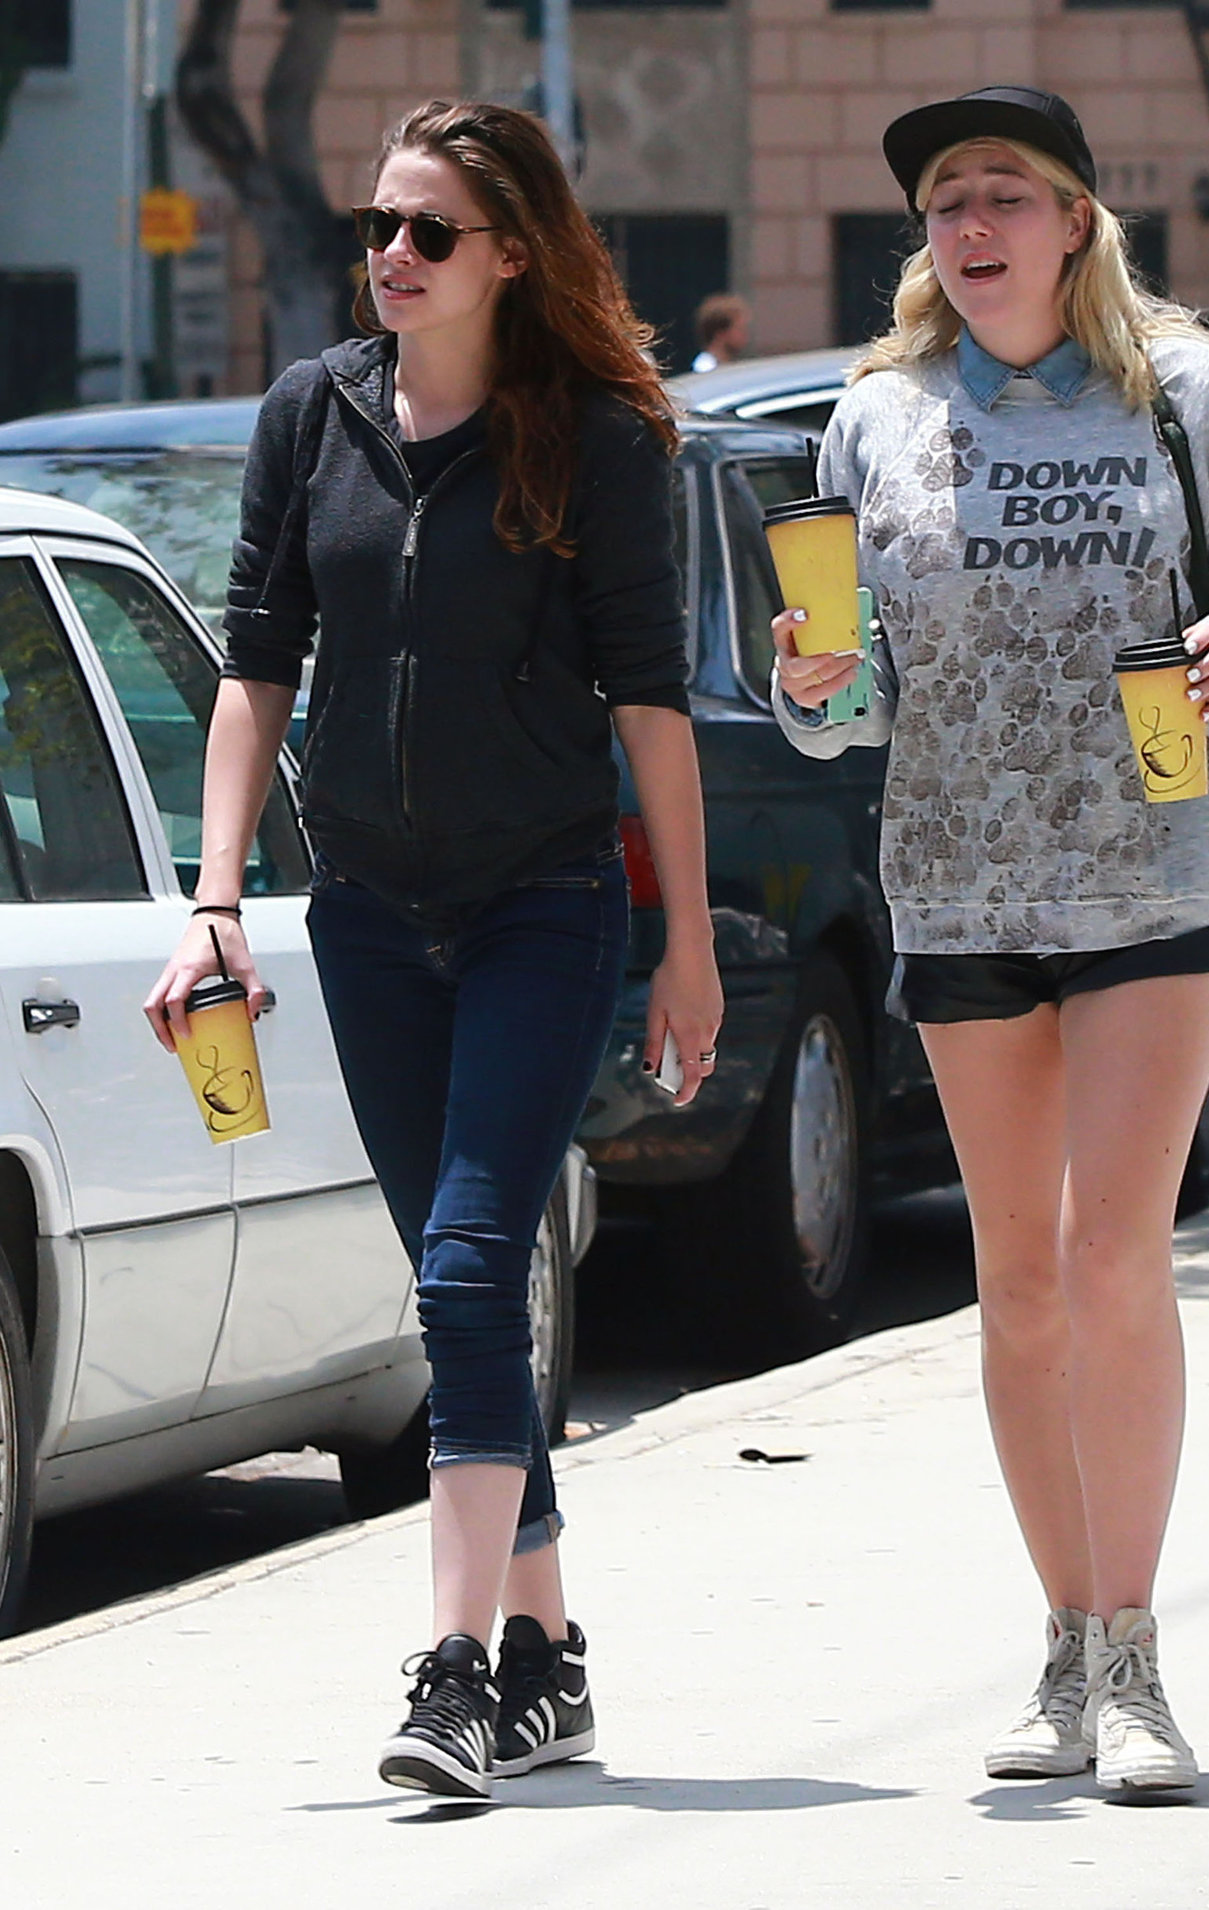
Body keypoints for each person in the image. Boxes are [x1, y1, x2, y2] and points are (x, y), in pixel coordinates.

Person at [145, 98, 722, 1800]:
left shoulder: (599, 440)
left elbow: (650, 706)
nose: (387, 258)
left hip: (543, 903)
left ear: (511, 256)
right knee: (460, 1297)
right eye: (376, 229)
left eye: (428, 234)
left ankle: (457, 1674)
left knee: (469, 1273)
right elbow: (256, 662)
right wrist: (215, 898)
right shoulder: (308, 418)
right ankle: (549, 1659)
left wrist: (686, 941)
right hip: (370, 921)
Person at [770, 86, 1209, 1793]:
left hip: (1157, 875)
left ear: (1075, 220)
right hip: (954, 883)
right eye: (944, 201)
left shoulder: (1181, 391)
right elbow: (844, 697)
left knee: (1109, 1258)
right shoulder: (875, 417)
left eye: (1002, 193)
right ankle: (1064, 1646)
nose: (968, 223)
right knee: (1012, 1287)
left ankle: (1139, 1657)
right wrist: (811, 686)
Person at [690, 291, 751, 372]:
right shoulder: (705, 368)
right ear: (720, 333)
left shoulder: (728, 366)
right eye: (739, 329)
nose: (745, 335)